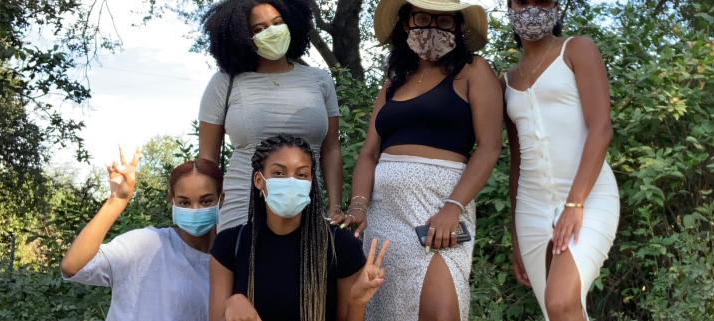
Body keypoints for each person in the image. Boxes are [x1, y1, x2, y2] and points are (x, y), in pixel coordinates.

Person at [333, 0, 502, 319]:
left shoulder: (473, 70)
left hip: (442, 208)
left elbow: (490, 147)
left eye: (444, 21)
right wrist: (358, 206)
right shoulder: (392, 86)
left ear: (457, 27)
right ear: (406, 23)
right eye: (423, 17)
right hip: (384, 213)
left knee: (441, 312)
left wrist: (454, 207)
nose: (433, 27)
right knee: (382, 307)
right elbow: (369, 153)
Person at [502, 0, 620, 319]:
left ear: (555, 6)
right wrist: (515, 232)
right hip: (530, 207)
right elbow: (517, 161)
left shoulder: (577, 49)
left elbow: (601, 129)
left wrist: (574, 203)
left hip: (588, 196)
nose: (531, 8)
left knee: (560, 302)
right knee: (557, 313)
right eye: (522, 1)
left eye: (541, 0)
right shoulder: (506, 82)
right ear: (509, 7)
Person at [208, 134, 390, 321]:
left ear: (311, 183)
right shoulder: (229, 245)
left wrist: (357, 302)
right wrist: (232, 305)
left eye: (301, 175)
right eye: (279, 173)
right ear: (258, 180)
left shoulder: (340, 245)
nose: (291, 182)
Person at [198, 0, 343, 231]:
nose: (272, 32)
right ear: (241, 36)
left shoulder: (320, 80)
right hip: (241, 208)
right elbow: (207, 160)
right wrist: (205, 213)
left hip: (307, 206)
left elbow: (331, 148)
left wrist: (335, 207)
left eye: (277, 23)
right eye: (259, 29)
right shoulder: (224, 82)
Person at [60, 147, 224, 321]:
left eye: (206, 201)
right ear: (172, 201)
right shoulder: (147, 244)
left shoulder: (227, 265)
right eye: (184, 202)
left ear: (221, 199)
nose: (195, 210)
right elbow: (73, 266)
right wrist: (117, 201)